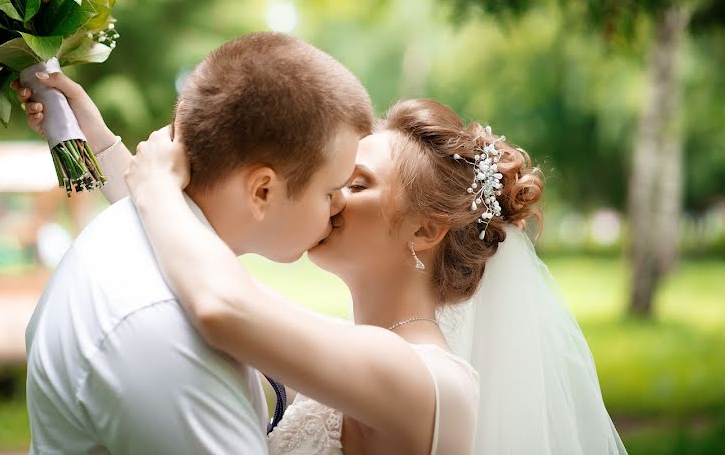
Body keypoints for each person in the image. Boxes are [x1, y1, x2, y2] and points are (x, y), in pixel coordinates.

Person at [123, 98, 628, 455]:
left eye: (355, 184)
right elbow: (204, 266)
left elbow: (220, 304)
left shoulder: (421, 377)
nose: (329, 194)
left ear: (425, 229)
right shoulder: (363, 349)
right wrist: (81, 133)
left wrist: (156, 189)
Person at [17, 32, 374, 453]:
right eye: (330, 191)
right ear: (262, 191)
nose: (337, 208)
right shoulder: (162, 335)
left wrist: (100, 140)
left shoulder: (154, 243)